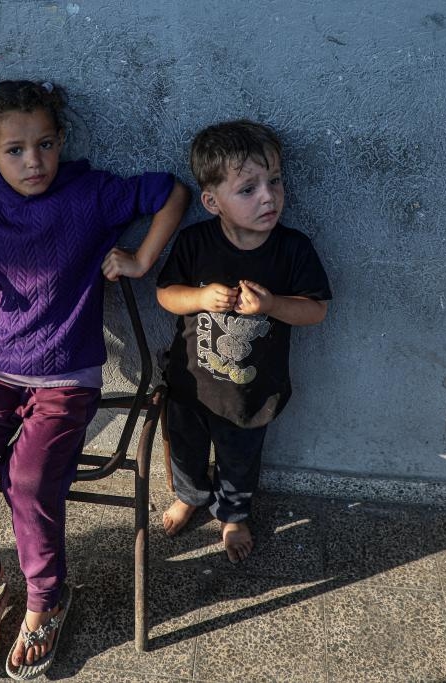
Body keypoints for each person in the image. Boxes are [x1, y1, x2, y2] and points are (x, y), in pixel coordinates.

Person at [0, 79, 189, 679]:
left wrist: (142, 259)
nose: (34, 161)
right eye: (15, 150)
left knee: (30, 476)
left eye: (45, 144)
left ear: (62, 141)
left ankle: (46, 599)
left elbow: (173, 191)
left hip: (67, 378)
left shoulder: (90, 195)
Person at [156, 119, 331, 564]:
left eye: (274, 181)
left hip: (251, 391)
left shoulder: (293, 249)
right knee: (185, 449)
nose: (269, 197)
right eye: (248, 189)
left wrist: (272, 304)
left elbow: (316, 309)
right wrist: (198, 297)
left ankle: (233, 514)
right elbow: (164, 294)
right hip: (191, 385)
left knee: (239, 458)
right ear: (212, 201)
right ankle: (191, 495)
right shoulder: (196, 242)